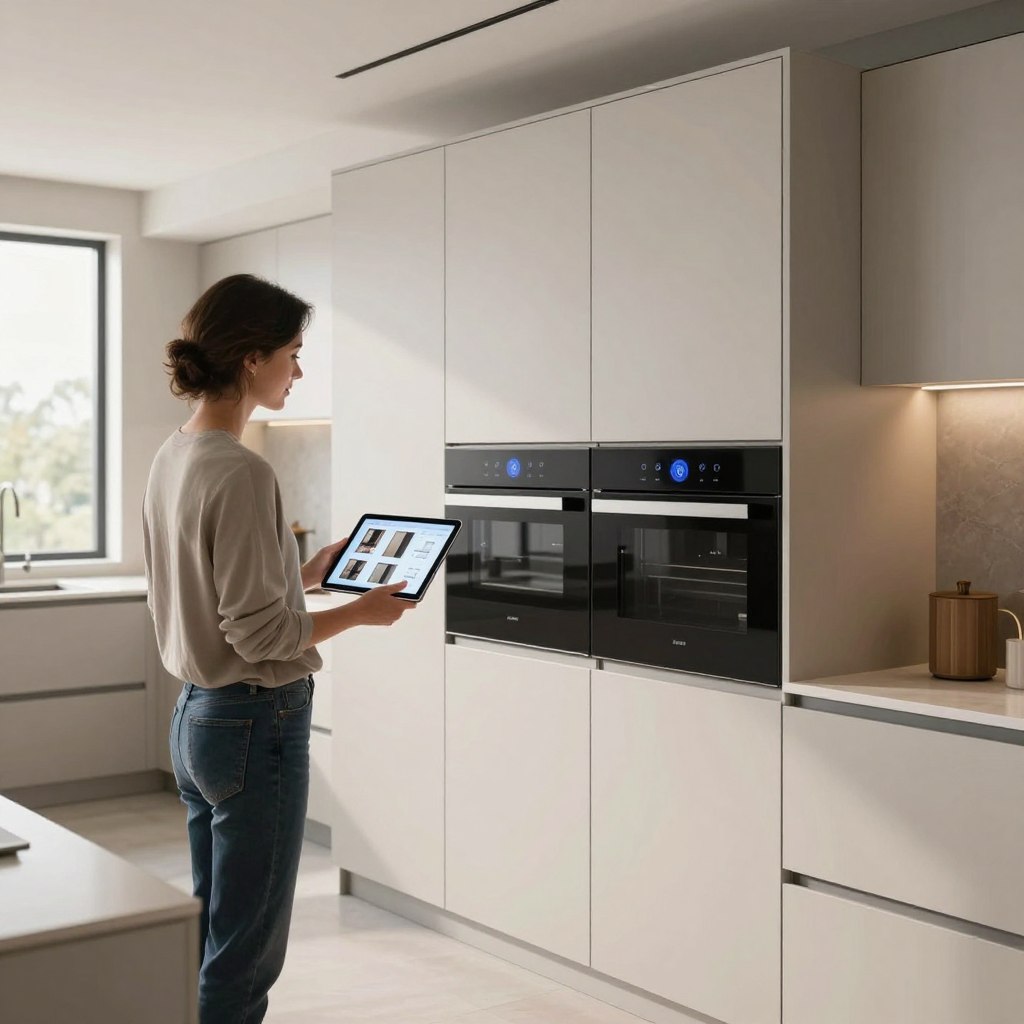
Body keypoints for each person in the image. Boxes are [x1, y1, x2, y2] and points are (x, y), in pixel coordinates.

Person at [143, 273, 413, 1024]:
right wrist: (359, 612)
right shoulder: (241, 468)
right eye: (293, 354)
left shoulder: (176, 455)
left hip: (196, 720)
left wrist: (300, 577)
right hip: (256, 724)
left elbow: (211, 595)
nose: (298, 371)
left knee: (213, 926)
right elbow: (259, 636)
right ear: (252, 357)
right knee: (248, 950)